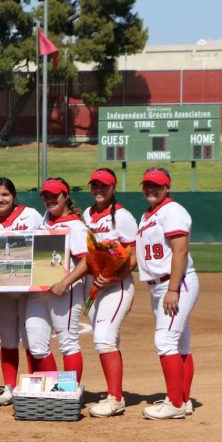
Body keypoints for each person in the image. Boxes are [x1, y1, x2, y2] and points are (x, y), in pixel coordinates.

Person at [136, 167, 200, 420]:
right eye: (147, 185)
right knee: (180, 343)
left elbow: (180, 250)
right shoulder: (149, 214)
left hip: (176, 283)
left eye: (157, 185)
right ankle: (182, 400)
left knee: (164, 341)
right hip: (161, 284)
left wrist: (173, 288)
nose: (151, 189)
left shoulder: (172, 211)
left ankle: (173, 403)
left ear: (167, 187)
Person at [0, 177, 43, 406]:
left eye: (5, 194)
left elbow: (46, 243)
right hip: (2, 289)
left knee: (32, 340)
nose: (0, 199)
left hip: (29, 288)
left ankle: (36, 385)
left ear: (13, 196)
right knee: (7, 340)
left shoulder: (31, 214)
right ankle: (9, 387)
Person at [83, 168, 138, 418]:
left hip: (117, 285)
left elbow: (134, 255)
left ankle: (115, 399)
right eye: (95, 185)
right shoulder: (88, 214)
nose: (98, 190)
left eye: (104, 186)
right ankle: (114, 393)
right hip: (95, 286)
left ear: (113, 188)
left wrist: (115, 276)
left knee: (104, 338)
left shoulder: (123, 216)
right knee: (108, 340)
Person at [24, 178, 89, 381]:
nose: (50, 200)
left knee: (68, 343)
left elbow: (87, 261)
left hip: (65, 291)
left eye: (55, 195)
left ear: (65, 196)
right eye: (46, 196)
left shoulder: (76, 226)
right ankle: (51, 390)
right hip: (39, 291)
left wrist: (65, 283)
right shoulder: (44, 221)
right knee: (36, 345)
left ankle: (68, 393)